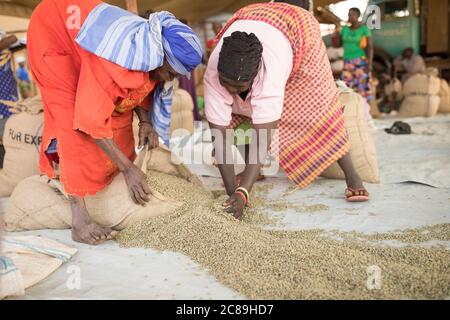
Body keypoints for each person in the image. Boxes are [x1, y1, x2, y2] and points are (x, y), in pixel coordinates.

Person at [27, 0, 202, 245]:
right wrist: (128, 169)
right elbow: (89, 120)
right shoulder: (116, 61)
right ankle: (80, 220)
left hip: (77, 36)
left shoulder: (147, 50)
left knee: (118, 117)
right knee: (73, 120)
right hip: (53, 35)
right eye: (171, 73)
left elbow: (139, 90)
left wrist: (145, 122)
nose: (169, 80)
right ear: (159, 56)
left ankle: (106, 180)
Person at [204, 2, 369, 220]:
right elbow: (220, 138)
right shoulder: (214, 72)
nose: (232, 92)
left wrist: (243, 194)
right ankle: (251, 172)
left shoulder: (270, 71)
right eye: (227, 84)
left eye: (240, 88)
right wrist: (231, 194)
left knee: (320, 109)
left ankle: (352, 176)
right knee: (235, 117)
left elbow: (263, 139)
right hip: (251, 17)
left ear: (255, 77)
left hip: (297, 30)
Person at [336, 7, 373, 103]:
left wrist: (369, 63)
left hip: (360, 60)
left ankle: (365, 112)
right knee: (347, 86)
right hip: (347, 61)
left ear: (358, 16)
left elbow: (369, 47)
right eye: (348, 15)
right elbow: (338, 44)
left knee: (363, 86)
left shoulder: (364, 29)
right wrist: (337, 32)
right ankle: (352, 110)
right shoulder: (344, 29)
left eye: (352, 15)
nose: (349, 17)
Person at [0, 29, 19, 168]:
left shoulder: (5, 51)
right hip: (2, 108)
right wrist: (9, 39)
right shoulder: (4, 44)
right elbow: (12, 38)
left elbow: (14, 41)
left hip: (11, 104)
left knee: (11, 142)